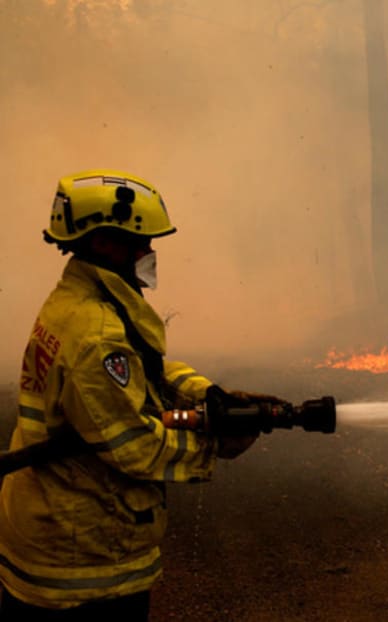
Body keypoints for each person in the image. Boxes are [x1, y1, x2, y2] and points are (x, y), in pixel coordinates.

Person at [0, 169, 259, 620]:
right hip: (82, 561)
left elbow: (141, 367)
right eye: (140, 243)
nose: (149, 253)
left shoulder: (80, 299)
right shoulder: (96, 334)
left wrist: (207, 393)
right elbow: (135, 447)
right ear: (103, 243)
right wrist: (214, 445)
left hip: (52, 523)